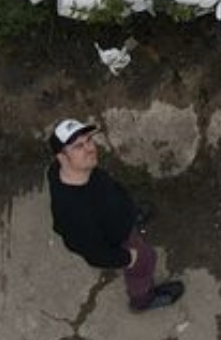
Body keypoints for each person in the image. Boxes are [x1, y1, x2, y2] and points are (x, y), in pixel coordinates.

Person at [46, 118, 184, 313]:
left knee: (125, 213)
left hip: (119, 216)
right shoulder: (74, 213)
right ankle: (142, 300)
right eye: (78, 147)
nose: (89, 149)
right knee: (146, 260)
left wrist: (127, 211)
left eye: (89, 141)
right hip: (118, 238)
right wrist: (128, 257)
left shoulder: (67, 170)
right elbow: (95, 254)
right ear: (61, 157)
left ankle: (132, 218)